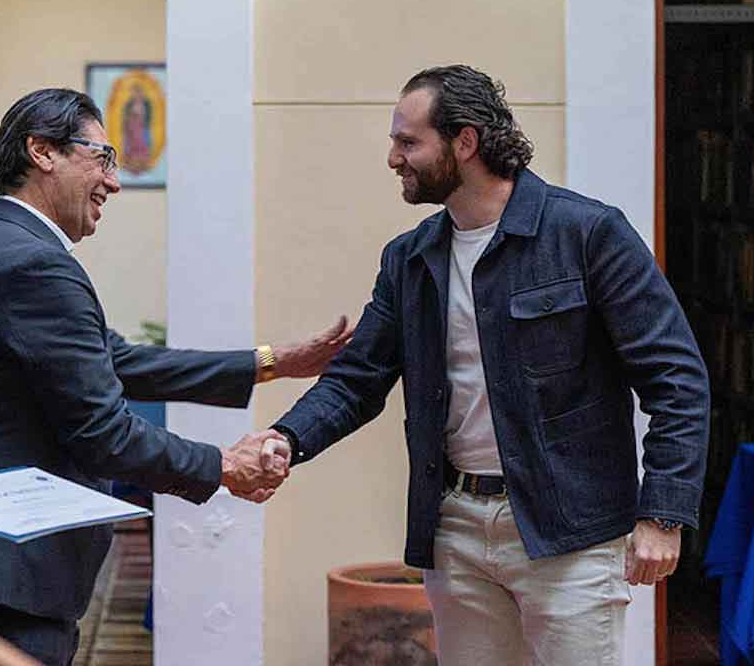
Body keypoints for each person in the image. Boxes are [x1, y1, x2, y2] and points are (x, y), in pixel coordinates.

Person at [270, 65, 710, 665]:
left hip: (572, 533)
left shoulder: (588, 233)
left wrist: (663, 513)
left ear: (465, 142)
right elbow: (356, 380)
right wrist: (286, 439)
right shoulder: (409, 259)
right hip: (455, 529)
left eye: (408, 142)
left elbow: (676, 379)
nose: (394, 159)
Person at [0, 88, 352, 665]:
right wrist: (223, 466)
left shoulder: (2, 246)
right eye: (103, 158)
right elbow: (102, 432)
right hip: (1, 573)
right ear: (43, 152)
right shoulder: (30, 262)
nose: (114, 183)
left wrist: (273, 362)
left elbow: (119, 362)